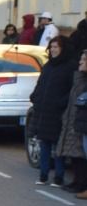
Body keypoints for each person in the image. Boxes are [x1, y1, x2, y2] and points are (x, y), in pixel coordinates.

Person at [29, 34, 76, 186]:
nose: (53, 50)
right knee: (44, 145)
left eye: (56, 47)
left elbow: (72, 90)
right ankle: (43, 175)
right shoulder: (48, 66)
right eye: (52, 47)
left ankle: (58, 177)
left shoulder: (69, 66)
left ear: (63, 48)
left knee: (58, 147)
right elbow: (40, 84)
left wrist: (60, 103)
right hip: (44, 111)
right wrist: (35, 96)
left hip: (58, 113)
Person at [55, 48, 87, 198]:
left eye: (83, 60)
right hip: (73, 120)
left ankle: (82, 184)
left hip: (81, 122)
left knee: (80, 154)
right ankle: (77, 182)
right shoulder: (80, 78)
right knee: (74, 154)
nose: (80, 62)